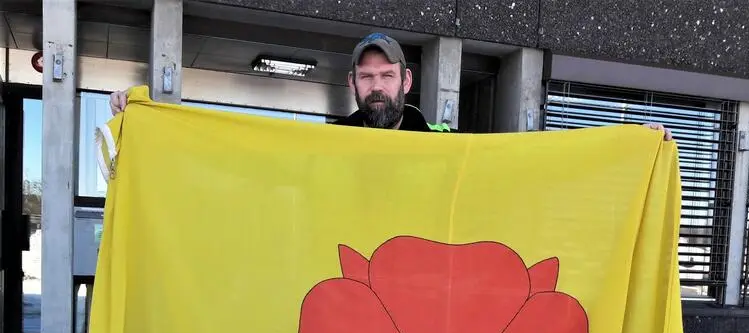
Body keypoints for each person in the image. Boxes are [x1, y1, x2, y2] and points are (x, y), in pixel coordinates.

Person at [109, 32, 672, 139]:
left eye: (386, 75)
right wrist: (151, 128)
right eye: (365, 76)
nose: (376, 86)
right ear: (352, 83)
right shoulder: (332, 145)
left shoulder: (446, 147)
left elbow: (531, 162)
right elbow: (236, 152)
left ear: (407, 79)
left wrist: (628, 145)